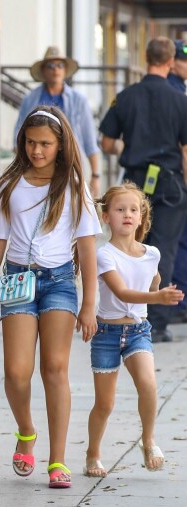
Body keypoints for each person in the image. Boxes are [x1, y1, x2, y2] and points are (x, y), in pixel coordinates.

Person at [0, 105, 102, 489]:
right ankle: (26, 430)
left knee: (55, 367)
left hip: (61, 282)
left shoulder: (73, 186)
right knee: (17, 372)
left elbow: (87, 248)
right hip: (17, 280)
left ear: (60, 144)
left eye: (45, 144)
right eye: (31, 143)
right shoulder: (9, 185)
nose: (37, 151)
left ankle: (58, 460)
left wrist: (89, 304)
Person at [85, 183, 184, 477]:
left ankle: (148, 439)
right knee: (105, 404)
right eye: (119, 210)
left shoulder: (151, 253)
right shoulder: (104, 254)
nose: (127, 215)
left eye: (133, 210)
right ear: (106, 218)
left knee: (148, 385)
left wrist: (159, 287)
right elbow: (122, 292)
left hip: (138, 331)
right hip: (107, 335)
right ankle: (93, 454)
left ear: (141, 218)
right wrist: (158, 297)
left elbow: (152, 281)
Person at [99, 36, 187, 343]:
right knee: (165, 249)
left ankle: (125, 313)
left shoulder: (126, 97)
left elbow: (107, 142)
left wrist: (132, 146)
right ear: (170, 61)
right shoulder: (181, 100)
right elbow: (185, 152)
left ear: (146, 57)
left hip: (133, 185)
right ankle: (157, 324)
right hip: (171, 184)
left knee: (130, 246)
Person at [14, 46, 102, 198]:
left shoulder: (79, 100)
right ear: (43, 70)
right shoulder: (30, 99)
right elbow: (19, 137)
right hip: (37, 168)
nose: (56, 70)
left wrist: (95, 176)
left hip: (71, 167)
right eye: (50, 65)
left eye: (60, 65)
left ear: (65, 69)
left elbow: (90, 141)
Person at [168, 40, 187, 323]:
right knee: (177, 242)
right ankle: (177, 303)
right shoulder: (174, 92)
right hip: (175, 180)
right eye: (182, 60)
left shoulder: (179, 88)